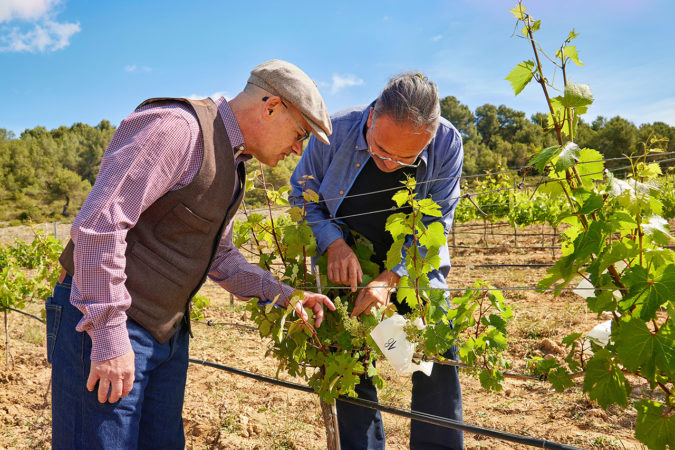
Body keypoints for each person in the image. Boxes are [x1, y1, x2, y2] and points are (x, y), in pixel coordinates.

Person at [46, 59, 336, 450]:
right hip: (105, 324)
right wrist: (110, 336)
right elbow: (101, 226)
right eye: (300, 132)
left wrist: (283, 294)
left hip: (165, 336)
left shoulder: (232, 167)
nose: (298, 148)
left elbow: (221, 258)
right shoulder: (177, 129)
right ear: (271, 107)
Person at [290, 72, 464, 449]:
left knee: (434, 349)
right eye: (381, 150)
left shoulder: (449, 142)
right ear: (371, 119)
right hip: (347, 257)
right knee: (347, 355)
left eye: (407, 158)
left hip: (412, 262)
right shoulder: (334, 131)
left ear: (430, 139)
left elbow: (437, 222)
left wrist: (392, 275)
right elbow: (302, 196)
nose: (390, 164)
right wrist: (333, 245)